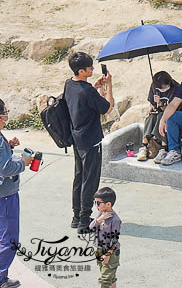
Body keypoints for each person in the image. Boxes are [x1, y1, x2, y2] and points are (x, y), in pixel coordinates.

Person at [64, 52, 113, 234]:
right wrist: (108, 86)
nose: (93, 69)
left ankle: (76, 217)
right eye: (90, 67)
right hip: (90, 140)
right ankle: (85, 222)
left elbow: (81, 99)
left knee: (79, 177)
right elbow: (108, 107)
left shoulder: (70, 84)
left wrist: (95, 86)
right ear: (82, 71)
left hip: (76, 138)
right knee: (90, 181)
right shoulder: (88, 91)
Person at [1, 98, 34, 288]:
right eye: (5, 111)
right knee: (9, 239)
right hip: (5, 196)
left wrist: (9, 147)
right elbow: (5, 169)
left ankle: (2, 279)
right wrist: (23, 163)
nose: (7, 114)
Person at [136, 71, 179, 162]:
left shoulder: (176, 88)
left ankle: (163, 148)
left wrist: (159, 103)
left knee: (160, 117)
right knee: (150, 117)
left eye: (164, 87)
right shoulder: (154, 86)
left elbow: (171, 108)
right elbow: (151, 102)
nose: (162, 90)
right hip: (159, 111)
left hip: (172, 113)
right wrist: (153, 106)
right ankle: (144, 146)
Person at [90, 187, 121, 288]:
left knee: (105, 280)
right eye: (95, 202)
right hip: (100, 249)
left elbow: (115, 241)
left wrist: (108, 255)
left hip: (110, 253)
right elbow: (91, 227)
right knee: (109, 278)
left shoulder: (115, 220)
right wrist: (100, 219)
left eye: (98, 203)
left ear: (108, 204)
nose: (96, 205)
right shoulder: (101, 214)